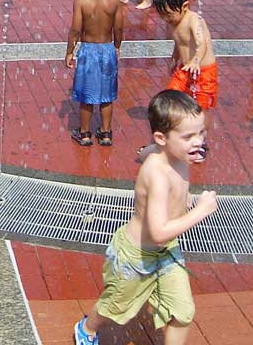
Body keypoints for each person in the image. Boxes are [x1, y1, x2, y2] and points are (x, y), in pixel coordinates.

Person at [73, 89, 216, 345]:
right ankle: (87, 328)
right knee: (115, 308)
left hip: (167, 253)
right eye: (189, 136)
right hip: (136, 255)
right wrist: (200, 211)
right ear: (162, 137)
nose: (198, 141)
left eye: (201, 132)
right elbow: (159, 231)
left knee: (183, 312)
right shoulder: (158, 175)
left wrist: (184, 196)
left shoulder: (174, 153)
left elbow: (146, 152)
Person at [65, 0, 125, 147]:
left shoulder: (82, 2)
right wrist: (117, 45)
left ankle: (84, 134)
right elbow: (119, 28)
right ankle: (106, 133)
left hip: (88, 52)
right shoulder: (114, 1)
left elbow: (75, 29)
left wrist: (70, 51)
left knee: (86, 96)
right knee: (107, 96)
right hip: (107, 50)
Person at [154, 0, 217, 161]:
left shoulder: (193, 20)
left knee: (201, 109)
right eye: (162, 15)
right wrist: (174, 59)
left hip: (203, 71)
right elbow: (179, 42)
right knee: (170, 100)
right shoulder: (173, 22)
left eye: (169, 15)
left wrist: (196, 60)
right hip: (184, 69)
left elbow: (202, 42)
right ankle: (169, 140)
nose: (166, 19)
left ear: (184, 6)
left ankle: (200, 144)